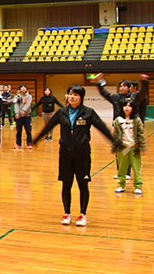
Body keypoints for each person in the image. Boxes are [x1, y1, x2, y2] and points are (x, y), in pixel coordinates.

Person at [32, 85, 116, 228]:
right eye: (70, 94)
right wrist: (36, 140)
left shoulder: (88, 112)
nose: (72, 97)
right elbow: (48, 126)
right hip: (65, 154)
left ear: (81, 97)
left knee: (83, 185)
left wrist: (114, 142)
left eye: (76, 95)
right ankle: (67, 213)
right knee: (66, 184)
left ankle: (82, 214)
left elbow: (102, 127)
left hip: (82, 154)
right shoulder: (61, 113)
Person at [113, 102, 145, 195]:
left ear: (133, 108)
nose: (127, 108)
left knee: (136, 168)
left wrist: (142, 147)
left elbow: (141, 134)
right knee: (122, 168)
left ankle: (138, 186)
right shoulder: (118, 120)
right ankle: (121, 185)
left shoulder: (136, 120)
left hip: (134, 147)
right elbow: (115, 135)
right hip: (123, 147)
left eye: (129, 106)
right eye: (125, 106)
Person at [13, 85, 34, 150]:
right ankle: (18, 144)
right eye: (22, 87)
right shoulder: (17, 97)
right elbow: (16, 105)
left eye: (24, 87)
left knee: (28, 130)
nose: (23, 88)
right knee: (18, 131)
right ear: (19, 90)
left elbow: (28, 104)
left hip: (27, 116)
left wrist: (23, 111)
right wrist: (17, 113)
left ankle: (29, 144)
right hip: (19, 117)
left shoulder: (29, 96)